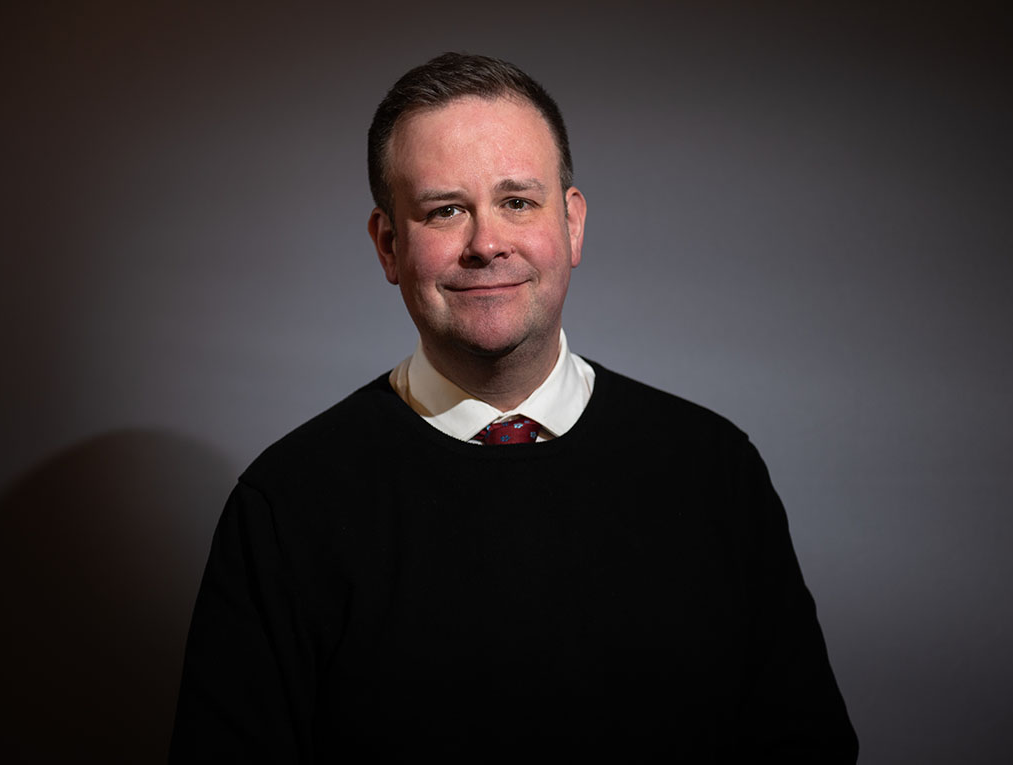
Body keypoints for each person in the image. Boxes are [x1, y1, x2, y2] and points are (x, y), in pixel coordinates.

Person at [170, 52, 858, 763]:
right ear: (388, 245)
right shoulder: (287, 505)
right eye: (445, 210)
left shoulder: (715, 470)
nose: (486, 243)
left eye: (517, 201)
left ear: (573, 224)